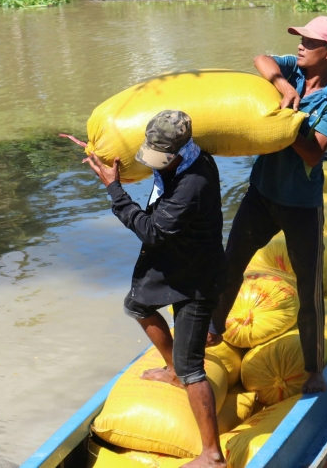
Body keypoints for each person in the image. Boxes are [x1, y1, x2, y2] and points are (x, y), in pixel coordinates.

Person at [207, 16, 327, 394]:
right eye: (300, 38)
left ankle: (313, 369)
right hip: (261, 193)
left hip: (301, 205)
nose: (301, 45)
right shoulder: (293, 69)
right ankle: (212, 329)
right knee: (229, 263)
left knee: (310, 288)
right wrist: (281, 83)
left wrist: (287, 122)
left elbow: (313, 154)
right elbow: (260, 58)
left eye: (309, 41)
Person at [85, 110, 227, 468]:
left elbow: (151, 231)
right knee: (136, 304)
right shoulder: (182, 160)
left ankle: (212, 455)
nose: (156, 164)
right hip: (174, 262)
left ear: (182, 151)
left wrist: (114, 190)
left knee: (193, 366)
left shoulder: (194, 182)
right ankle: (172, 369)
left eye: (163, 157)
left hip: (197, 277)